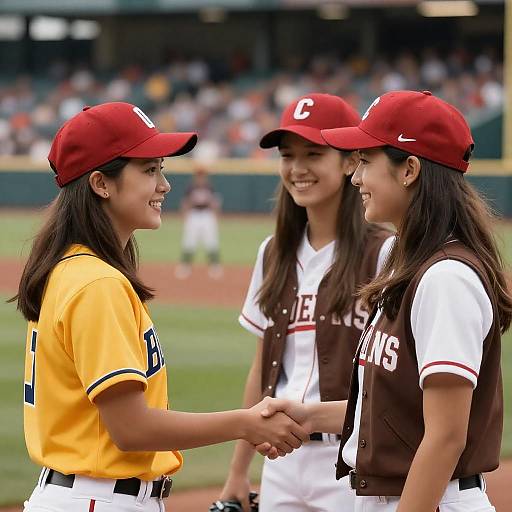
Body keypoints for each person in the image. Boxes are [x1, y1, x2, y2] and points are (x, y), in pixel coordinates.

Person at [13, 102, 309, 512]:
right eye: (149, 170)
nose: (164, 185)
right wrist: (244, 423)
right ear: (101, 183)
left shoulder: (73, 268)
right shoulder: (98, 283)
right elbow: (131, 428)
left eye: (161, 170)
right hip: (98, 497)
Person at [258, 90, 512, 512]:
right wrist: (308, 416)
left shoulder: (446, 277)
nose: (355, 178)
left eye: (365, 161)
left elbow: (446, 436)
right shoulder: (408, 262)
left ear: (409, 169)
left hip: (432, 499)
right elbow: (397, 410)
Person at [219, 93, 394, 512]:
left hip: (352, 458)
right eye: (287, 155)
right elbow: (261, 368)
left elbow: (394, 376)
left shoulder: (385, 253)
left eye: (313, 154)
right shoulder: (273, 252)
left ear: (351, 161)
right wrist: (238, 471)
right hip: (281, 460)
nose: (297, 168)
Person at [175, 164, 222, 279]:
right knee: (189, 242)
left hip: (207, 215)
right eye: (199, 175)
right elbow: (185, 202)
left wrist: (215, 215)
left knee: (211, 242)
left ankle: (214, 267)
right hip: (194, 215)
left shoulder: (209, 187)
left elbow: (215, 202)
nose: (201, 177)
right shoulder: (191, 187)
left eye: (202, 175)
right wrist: (184, 215)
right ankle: (185, 267)